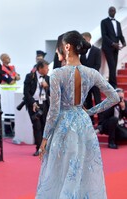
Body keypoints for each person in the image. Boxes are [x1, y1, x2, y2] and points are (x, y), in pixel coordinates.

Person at [36, 30, 120, 199]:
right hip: (83, 125)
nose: (57, 53)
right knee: (80, 170)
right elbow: (115, 97)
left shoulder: (57, 74)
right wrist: (90, 111)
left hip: (63, 126)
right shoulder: (92, 73)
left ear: (67, 47)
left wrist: (44, 138)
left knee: (62, 170)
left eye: (59, 48)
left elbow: (53, 110)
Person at [23, 60, 50, 156]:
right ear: (40, 68)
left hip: (45, 104)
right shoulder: (30, 76)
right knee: (37, 126)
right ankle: (39, 148)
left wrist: (47, 87)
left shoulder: (48, 78)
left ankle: (45, 147)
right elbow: (26, 93)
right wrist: (33, 103)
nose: (48, 69)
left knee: (45, 126)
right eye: (46, 68)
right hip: (34, 104)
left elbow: (51, 93)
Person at [101, 6, 126, 88]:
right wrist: (112, 43)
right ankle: (113, 85)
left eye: (114, 11)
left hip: (116, 48)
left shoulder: (118, 23)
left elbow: (120, 35)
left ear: (115, 12)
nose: (112, 12)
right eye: (111, 10)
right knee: (111, 65)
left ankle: (112, 83)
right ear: (108, 12)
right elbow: (104, 36)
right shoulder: (104, 22)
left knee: (114, 66)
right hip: (108, 47)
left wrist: (123, 42)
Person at [80, 32, 102, 124]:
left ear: (88, 39)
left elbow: (98, 65)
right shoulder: (81, 52)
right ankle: (90, 120)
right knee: (88, 101)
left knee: (98, 101)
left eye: (83, 39)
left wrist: (89, 76)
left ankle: (101, 121)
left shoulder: (97, 50)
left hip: (95, 80)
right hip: (85, 82)